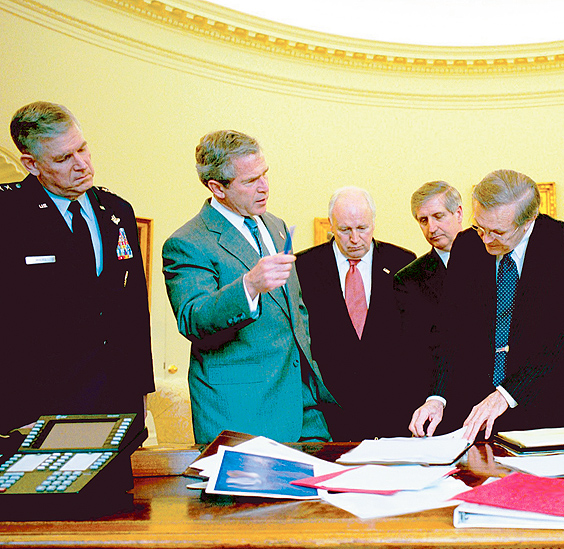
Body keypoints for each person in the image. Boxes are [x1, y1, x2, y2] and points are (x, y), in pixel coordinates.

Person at [162, 130, 335, 445]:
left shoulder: (276, 225)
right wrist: (249, 286)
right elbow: (192, 317)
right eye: (250, 180)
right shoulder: (187, 242)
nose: (264, 186)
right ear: (218, 187)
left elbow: (294, 311)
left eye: (265, 174)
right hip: (242, 412)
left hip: (305, 408)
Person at [409, 169, 564, 441]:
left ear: (528, 220)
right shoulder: (466, 245)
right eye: (480, 227)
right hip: (482, 416)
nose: (485, 239)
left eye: (497, 232)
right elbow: (450, 330)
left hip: (554, 407)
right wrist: (437, 397)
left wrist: (506, 394)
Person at [0, 101, 154, 435]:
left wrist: (140, 394)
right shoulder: (8, 213)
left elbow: (133, 311)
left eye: (82, 149)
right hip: (39, 408)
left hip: (116, 402)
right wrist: (12, 409)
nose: (82, 164)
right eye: (63, 158)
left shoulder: (116, 210)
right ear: (31, 163)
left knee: (118, 490)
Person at [295, 187, 416, 441]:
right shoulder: (304, 267)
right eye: (344, 230)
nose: (354, 239)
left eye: (362, 229)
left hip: (393, 415)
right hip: (330, 416)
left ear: (374, 223)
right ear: (331, 225)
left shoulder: (402, 262)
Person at [394, 181, 463, 406]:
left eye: (438, 216)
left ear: (459, 213)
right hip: (439, 397)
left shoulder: (494, 261)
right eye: (423, 220)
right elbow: (415, 351)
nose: (431, 228)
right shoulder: (408, 279)